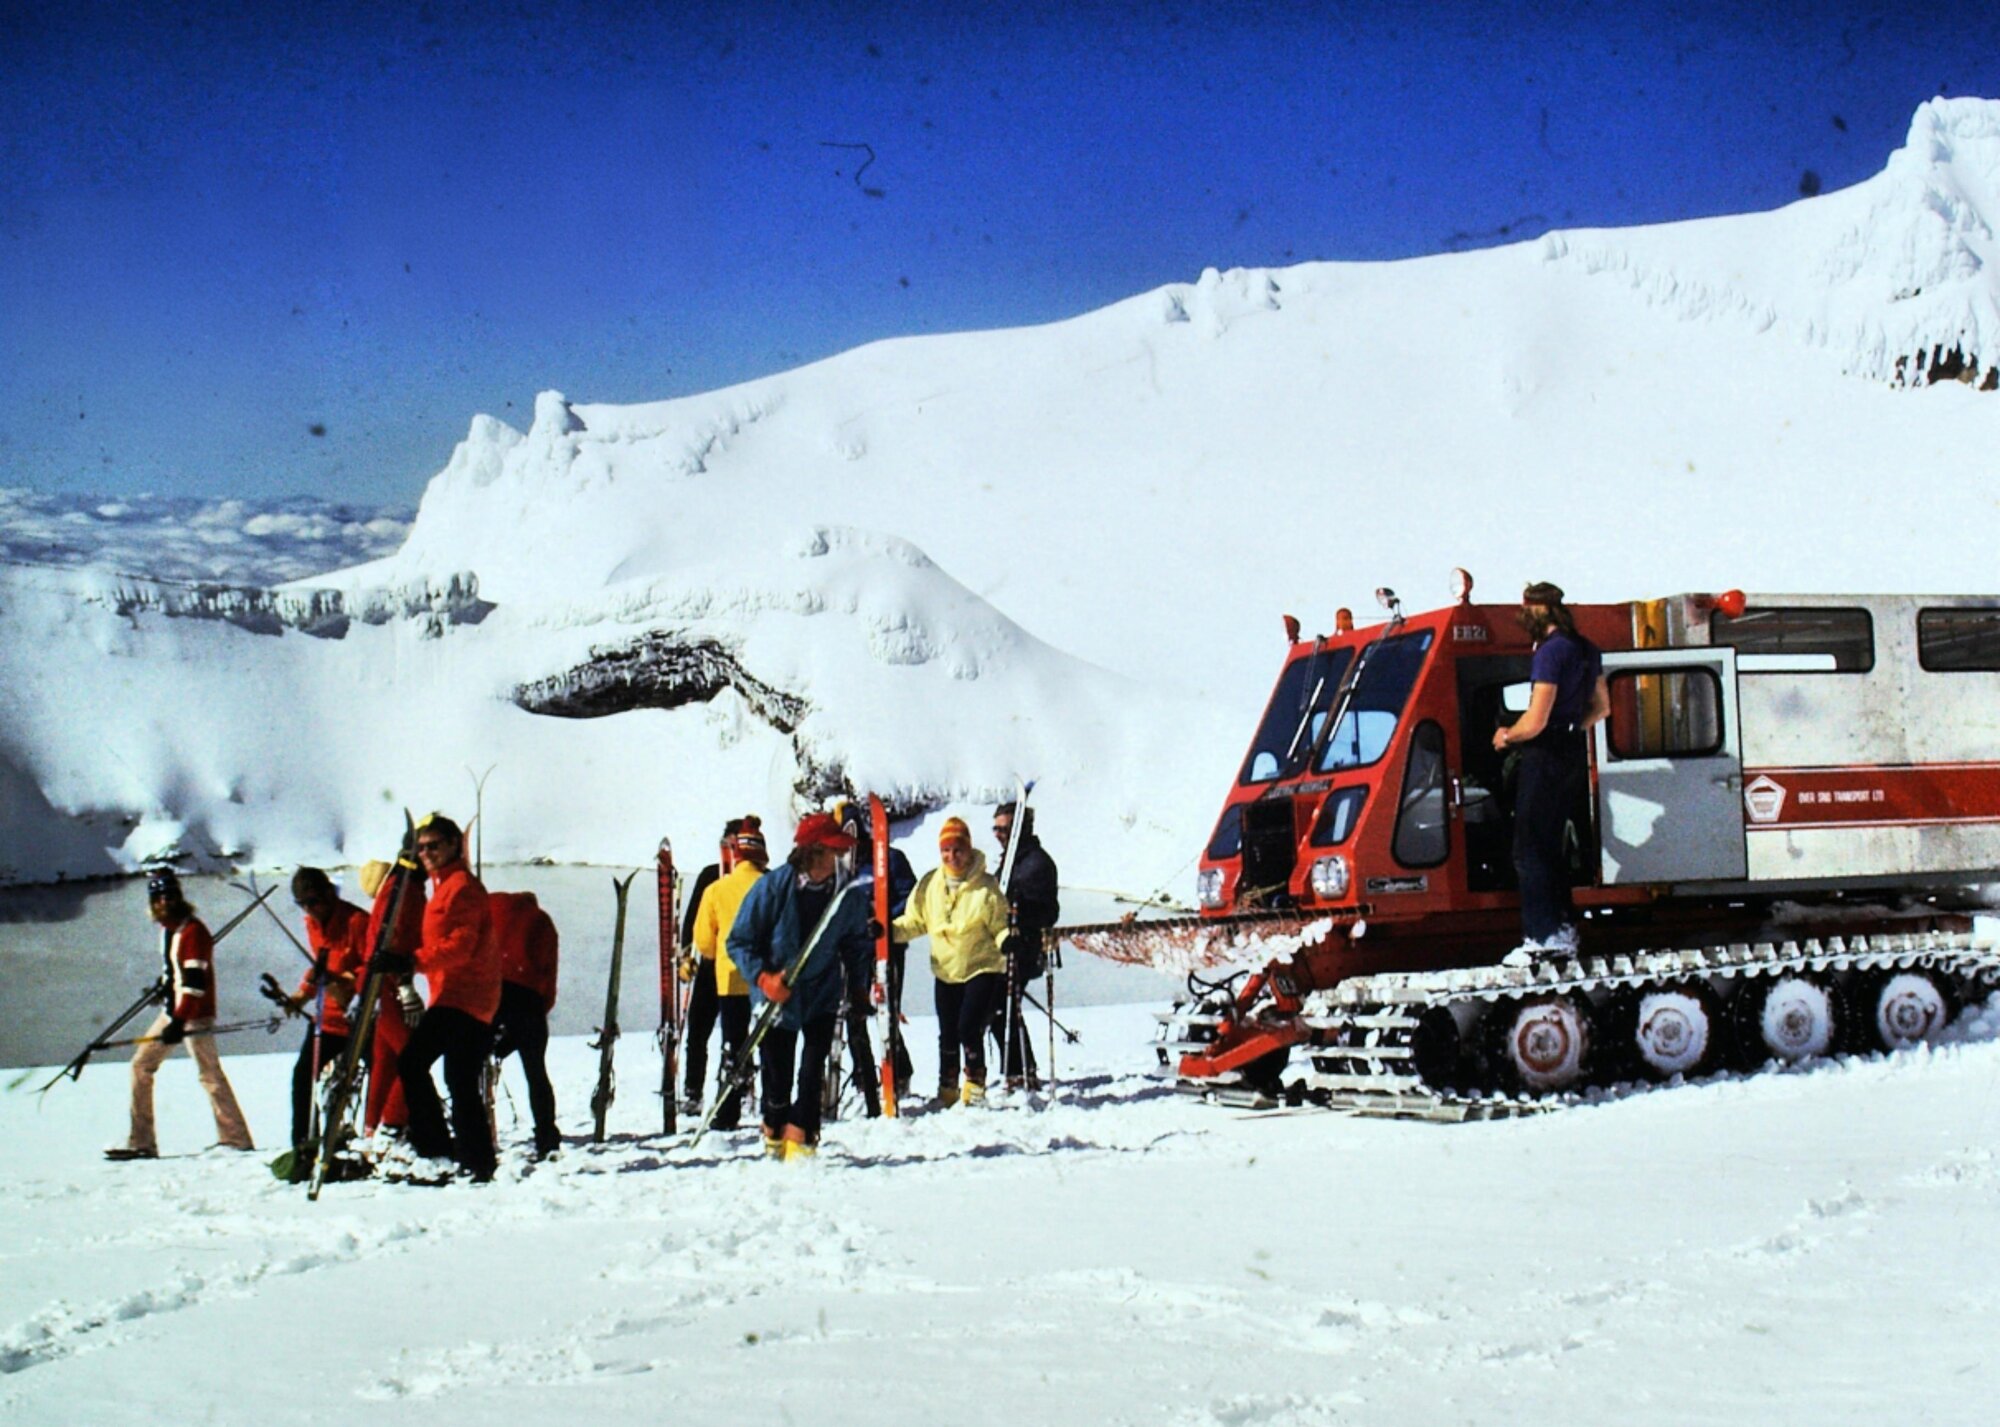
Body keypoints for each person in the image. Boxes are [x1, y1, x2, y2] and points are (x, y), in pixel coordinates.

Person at [726, 812, 870, 1160]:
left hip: (822, 990)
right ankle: (774, 1128)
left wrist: (858, 988)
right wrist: (763, 978)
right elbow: (739, 941)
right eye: (833, 851)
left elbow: (854, 943)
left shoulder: (845, 892)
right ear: (813, 852)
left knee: (811, 1070)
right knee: (777, 1076)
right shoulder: (773, 887)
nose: (838, 857)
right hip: (778, 995)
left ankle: (802, 1136)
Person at [1492, 581, 1610, 958]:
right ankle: (1563, 929)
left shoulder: (1549, 653)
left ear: (1536, 610)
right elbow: (1602, 708)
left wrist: (1507, 736)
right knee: (1552, 844)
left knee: (1529, 848)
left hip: (1545, 753)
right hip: (1572, 748)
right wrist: (1573, 726)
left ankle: (1542, 938)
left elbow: (1537, 718)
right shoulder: (1587, 649)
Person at [106, 867, 255, 1159]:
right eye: (158, 898)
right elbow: (176, 972)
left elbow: (195, 985)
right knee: (141, 1065)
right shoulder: (168, 931)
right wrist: (163, 987)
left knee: (209, 1073)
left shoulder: (193, 932)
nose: (164, 902)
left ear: (179, 898)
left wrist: (177, 1021)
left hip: (193, 1013)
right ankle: (142, 1142)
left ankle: (236, 1139)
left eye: (169, 896)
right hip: (174, 1010)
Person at [394, 814, 499, 1181]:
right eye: (421, 848)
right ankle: (475, 1160)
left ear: (454, 844)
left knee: (413, 1063)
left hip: (465, 996)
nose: (426, 853)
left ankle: (439, 1149)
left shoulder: (462, 888)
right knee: (459, 1079)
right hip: (458, 996)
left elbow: (461, 945)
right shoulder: (443, 887)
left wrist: (412, 961)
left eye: (433, 846)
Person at [893, 816, 1011, 1109]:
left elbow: (999, 925)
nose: (952, 856)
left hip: (980, 966)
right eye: (946, 850)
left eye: (958, 849)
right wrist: (887, 931)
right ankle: (947, 1086)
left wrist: (1007, 939)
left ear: (968, 850)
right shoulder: (930, 884)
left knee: (968, 1027)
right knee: (947, 1030)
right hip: (945, 969)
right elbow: (916, 921)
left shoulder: (985, 887)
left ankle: (974, 1084)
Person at [830, 797, 916, 1116]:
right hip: (853, 949)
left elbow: (911, 899)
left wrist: (884, 920)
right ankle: (865, 1076)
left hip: (887, 947)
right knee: (853, 1012)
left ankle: (899, 1070)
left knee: (886, 1011)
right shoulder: (840, 866)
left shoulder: (889, 859)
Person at [684, 816, 767, 1125]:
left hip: (726, 968)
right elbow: (693, 923)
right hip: (718, 969)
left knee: (737, 1037)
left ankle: (738, 1094)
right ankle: (694, 1089)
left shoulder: (729, 885)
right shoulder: (710, 877)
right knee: (701, 1029)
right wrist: (686, 955)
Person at [284, 867, 370, 1154]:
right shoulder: (312, 924)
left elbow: (369, 970)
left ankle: (384, 1135)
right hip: (328, 1020)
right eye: (303, 905)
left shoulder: (357, 922)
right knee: (302, 1077)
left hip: (361, 1018)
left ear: (329, 895)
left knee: (384, 1073)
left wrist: (343, 980)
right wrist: (301, 995)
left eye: (314, 902)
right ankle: (304, 1145)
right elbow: (320, 965)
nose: (310, 910)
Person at [989, 801, 1060, 1089]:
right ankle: (1019, 1068)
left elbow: (1048, 911)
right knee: (999, 1006)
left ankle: (1021, 1070)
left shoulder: (1036, 863)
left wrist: (1019, 909)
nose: (998, 834)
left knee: (1001, 1005)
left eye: (1003, 828)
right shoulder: (1012, 861)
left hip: (1025, 946)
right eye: (995, 828)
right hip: (1005, 944)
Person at [488, 890, 561, 1158]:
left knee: (474, 1064)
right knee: (535, 1071)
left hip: (492, 993)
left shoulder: (490, 907)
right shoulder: (543, 922)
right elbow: (548, 975)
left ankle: (478, 1126)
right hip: (528, 1000)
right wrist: (541, 1010)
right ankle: (546, 1134)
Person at [357, 856, 426, 1138]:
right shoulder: (404, 892)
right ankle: (394, 1123)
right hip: (386, 982)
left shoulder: (395, 892)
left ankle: (373, 1127)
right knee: (413, 1056)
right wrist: (405, 984)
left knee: (385, 1059)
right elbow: (397, 941)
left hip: (377, 982)